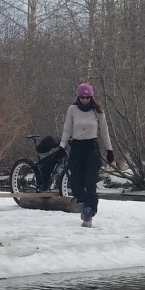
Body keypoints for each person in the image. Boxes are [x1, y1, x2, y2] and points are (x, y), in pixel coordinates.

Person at [59, 82, 113, 227]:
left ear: (91, 97)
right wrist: (62, 146)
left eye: (87, 97)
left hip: (91, 148)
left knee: (90, 182)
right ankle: (83, 202)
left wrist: (109, 150)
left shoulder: (98, 111)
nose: (84, 100)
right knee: (76, 182)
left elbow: (104, 131)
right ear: (78, 97)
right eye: (82, 97)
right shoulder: (72, 109)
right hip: (77, 147)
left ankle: (89, 211)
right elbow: (67, 129)